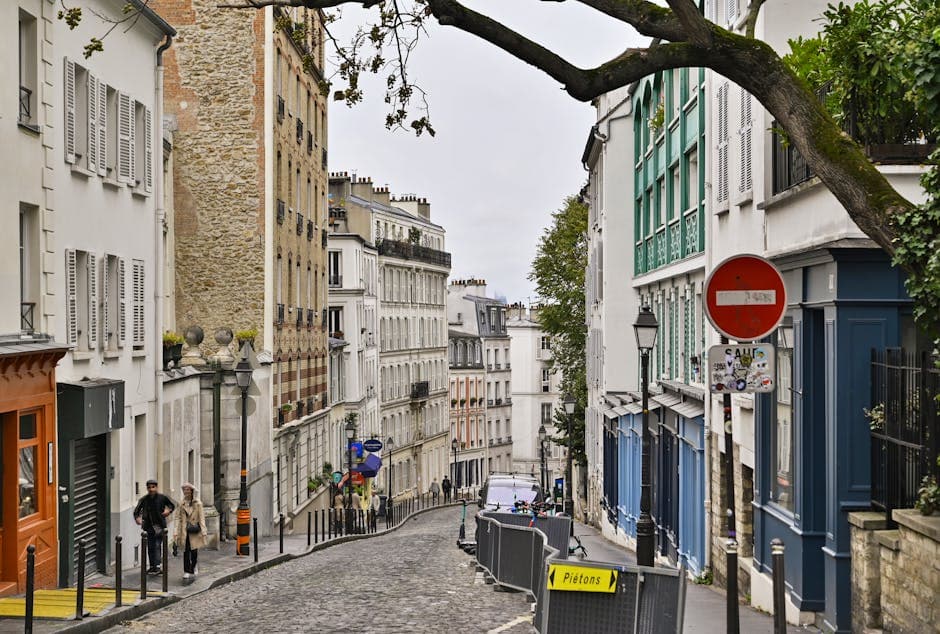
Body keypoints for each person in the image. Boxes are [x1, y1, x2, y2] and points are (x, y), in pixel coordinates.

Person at [133, 479, 175, 574]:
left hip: (160, 526)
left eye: (153, 487)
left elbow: (172, 505)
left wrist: (168, 511)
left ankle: (158, 566)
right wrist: (137, 518)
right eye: (149, 487)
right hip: (148, 527)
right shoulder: (144, 499)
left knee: (157, 545)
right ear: (147, 488)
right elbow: (136, 511)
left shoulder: (162, 498)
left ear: (156, 487)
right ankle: (152, 566)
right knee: (150, 546)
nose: (151, 489)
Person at [173, 482, 207, 580]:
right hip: (184, 530)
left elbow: (201, 518)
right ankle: (187, 571)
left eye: (187, 490)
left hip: (194, 529)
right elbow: (177, 518)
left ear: (191, 491)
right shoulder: (181, 503)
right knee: (186, 550)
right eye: (184, 490)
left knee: (194, 550)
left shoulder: (198, 503)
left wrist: (204, 530)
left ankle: (194, 565)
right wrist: (175, 530)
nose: (185, 492)